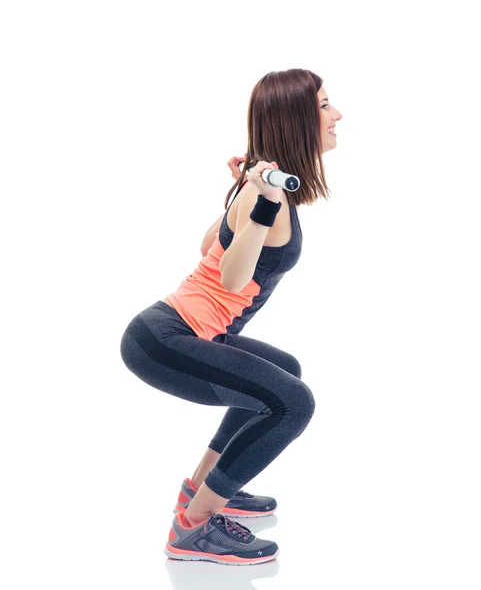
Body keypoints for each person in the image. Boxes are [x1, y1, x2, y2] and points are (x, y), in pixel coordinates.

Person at [120, 68, 342, 565]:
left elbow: (208, 246)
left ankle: (201, 490)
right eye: (325, 106)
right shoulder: (270, 198)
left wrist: (245, 192)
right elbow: (231, 280)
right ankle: (193, 529)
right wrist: (258, 206)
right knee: (293, 403)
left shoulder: (262, 187)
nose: (337, 115)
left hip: (176, 332)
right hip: (162, 338)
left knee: (284, 374)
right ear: (297, 120)